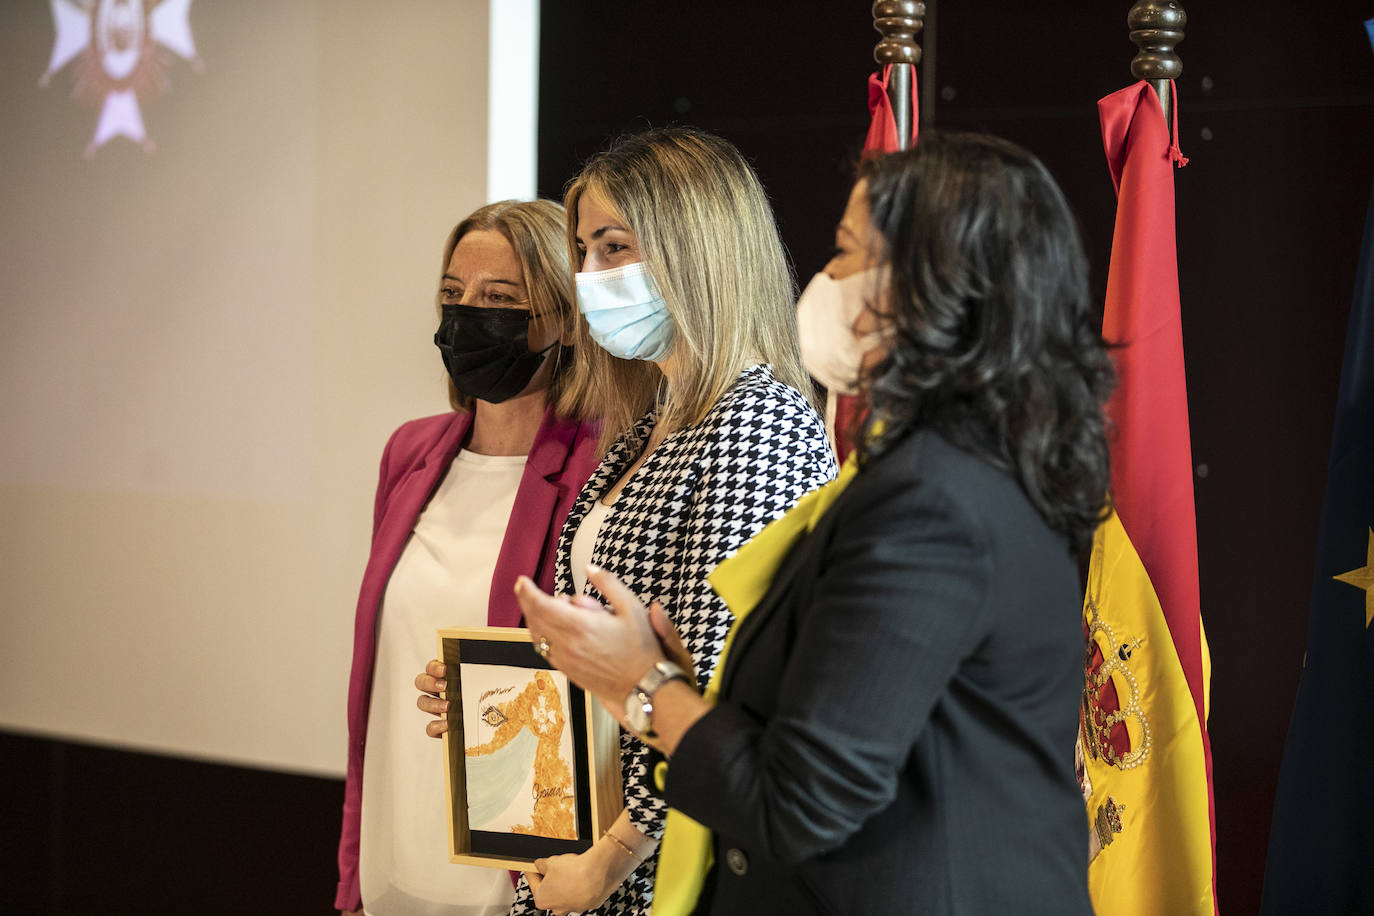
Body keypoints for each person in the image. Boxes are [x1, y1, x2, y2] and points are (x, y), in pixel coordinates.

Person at [514, 131, 1115, 915]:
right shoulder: (941, 469)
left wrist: (645, 681)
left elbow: (804, 794)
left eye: (848, 253)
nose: (827, 278)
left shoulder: (931, 499)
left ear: (938, 281)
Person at [416, 127, 837, 916]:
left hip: (670, 869)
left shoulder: (757, 423)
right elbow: (615, 645)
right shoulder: (655, 419)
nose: (590, 276)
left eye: (615, 248)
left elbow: (716, 692)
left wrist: (611, 857)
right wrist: (501, 692)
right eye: (582, 252)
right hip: (589, 843)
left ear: (699, 249)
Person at [335, 199, 601, 916]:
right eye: (453, 295)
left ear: (565, 317)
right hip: (395, 847)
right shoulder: (411, 452)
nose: (466, 316)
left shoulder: (602, 462)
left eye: (500, 299)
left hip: (515, 873)